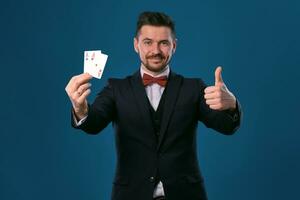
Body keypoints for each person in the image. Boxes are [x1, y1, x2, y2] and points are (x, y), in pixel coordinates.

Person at [65, 11, 242, 200]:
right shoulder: (116, 88)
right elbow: (94, 123)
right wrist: (80, 108)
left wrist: (232, 104)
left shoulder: (194, 88)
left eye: (163, 43)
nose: (155, 51)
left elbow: (226, 126)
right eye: (148, 42)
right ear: (136, 45)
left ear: (174, 46)